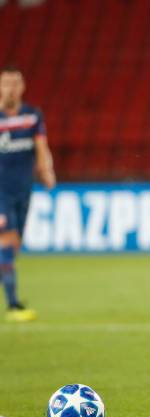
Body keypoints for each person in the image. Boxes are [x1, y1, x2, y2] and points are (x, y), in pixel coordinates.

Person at [0, 66, 55, 322]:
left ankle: (12, 299)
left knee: (14, 246)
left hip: (24, 190)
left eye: (15, 83)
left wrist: (47, 170)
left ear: (22, 87)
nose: (11, 88)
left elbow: (41, 147)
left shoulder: (32, 116)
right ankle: (13, 306)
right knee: (7, 244)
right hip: (1, 193)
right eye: (6, 83)